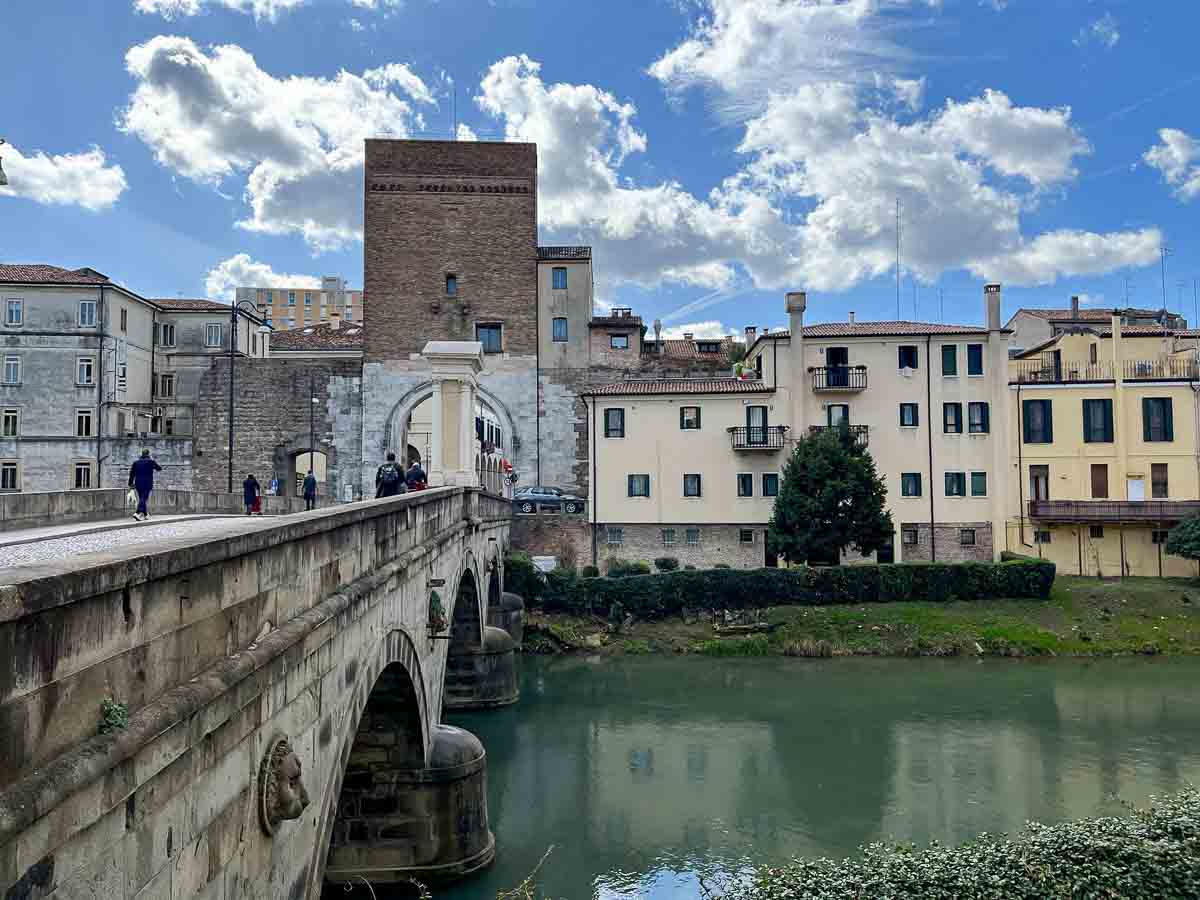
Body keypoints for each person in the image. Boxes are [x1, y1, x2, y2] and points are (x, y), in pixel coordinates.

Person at [128, 449, 162, 521]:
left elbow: (132, 473)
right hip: (147, 483)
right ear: (148, 454)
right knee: (143, 498)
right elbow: (159, 468)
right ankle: (137, 512)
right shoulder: (151, 462)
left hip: (138, 483)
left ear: (142, 454)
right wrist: (152, 460)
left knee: (142, 498)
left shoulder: (136, 462)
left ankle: (146, 514)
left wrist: (130, 483)